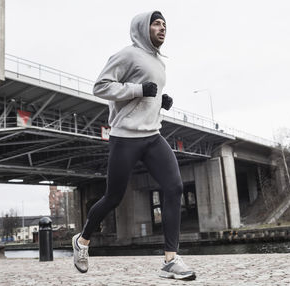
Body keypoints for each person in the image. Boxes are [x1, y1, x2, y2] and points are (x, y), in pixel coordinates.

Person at [71, 11, 196, 281]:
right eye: (156, 23)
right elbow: (101, 87)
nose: (162, 28)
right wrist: (139, 90)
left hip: (152, 135)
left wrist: (159, 103)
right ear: (143, 27)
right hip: (125, 137)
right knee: (113, 197)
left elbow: (146, 96)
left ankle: (170, 261)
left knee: (174, 186)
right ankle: (82, 241)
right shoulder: (127, 55)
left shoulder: (159, 62)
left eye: (165, 24)